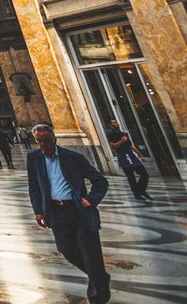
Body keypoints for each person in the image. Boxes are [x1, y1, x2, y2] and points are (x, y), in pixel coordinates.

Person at [27, 123, 111, 304]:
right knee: (66, 249)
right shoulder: (33, 157)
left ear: (55, 139)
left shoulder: (73, 157)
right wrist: (38, 210)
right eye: (39, 141)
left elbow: (100, 182)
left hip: (78, 210)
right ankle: (100, 277)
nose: (43, 145)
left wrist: (91, 199)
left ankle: (98, 297)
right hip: (56, 212)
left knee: (90, 252)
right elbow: (34, 186)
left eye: (46, 140)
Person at [105, 119, 151, 200]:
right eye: (114, 122)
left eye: (116, 122)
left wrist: (141, 155)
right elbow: (112, 146)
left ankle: (141, 190)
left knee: (144, 174)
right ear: (110, 124)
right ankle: (137, 195)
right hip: (123, 156)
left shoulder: (123, 133)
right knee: (131, 177)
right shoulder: (110, 133)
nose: (117, 123)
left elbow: (131, 145)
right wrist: (121, 141)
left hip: (131, 155)